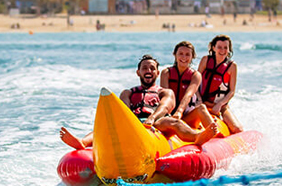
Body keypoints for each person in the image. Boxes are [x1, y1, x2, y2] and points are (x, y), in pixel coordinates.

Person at [60, 54, 213, 149]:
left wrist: (152, 119)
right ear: (138, 72)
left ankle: (196, 137)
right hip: (134, 124)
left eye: (152, 68)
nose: (148, 71)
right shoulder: (128, 92)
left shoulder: (164, 91)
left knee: (172, 122)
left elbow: (166, 105)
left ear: (157, 73)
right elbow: (124, 110)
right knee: (104, 127)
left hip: (157, 123)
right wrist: (132, 124)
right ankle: (84, 142)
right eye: (145, 68)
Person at [160, 41, 219, 139]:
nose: (184, 57)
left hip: (186, 117)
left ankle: (215, 136)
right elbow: (166, 97)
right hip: (169, 117)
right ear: (175, 55)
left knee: (202, 108)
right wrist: (169, 116)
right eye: (181, 54)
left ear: (192, 57)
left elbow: (188, 94)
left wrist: (179, 112)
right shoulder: (166, 73)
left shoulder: (195, 75)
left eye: (187, 54)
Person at [196, 34, 243, 134]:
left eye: (225, 47)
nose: (222, 50)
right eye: (219, 47)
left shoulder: (232, 66)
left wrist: (219, 105)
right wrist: (199, 100)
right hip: (202, 103)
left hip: (221, 106)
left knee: (237, 129)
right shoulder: (205, 60)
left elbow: (231, 91)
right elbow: (195, 82)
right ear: (213, 48)